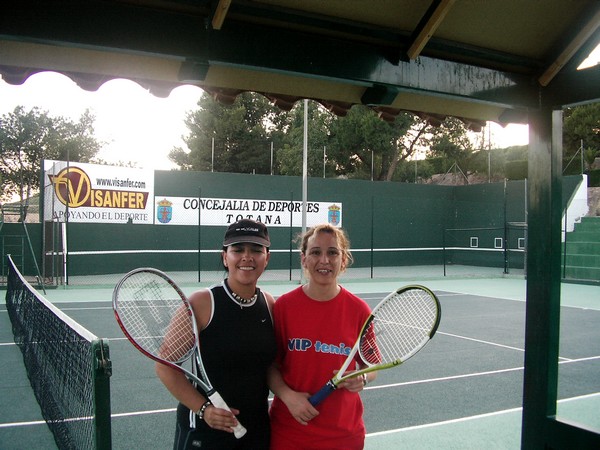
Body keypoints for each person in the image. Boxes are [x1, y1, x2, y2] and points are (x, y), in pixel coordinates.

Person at [156, 219, 277, 449]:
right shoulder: (202, 303)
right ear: (225, 257)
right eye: (238, 249)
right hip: (205, 431)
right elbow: (165, 366)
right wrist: (204, 409)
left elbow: (271, 367)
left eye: (256, 250)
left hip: (256, 429)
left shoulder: (269, 304)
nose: (247, 257)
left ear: (267, 258)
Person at [268, 223, 377, 450]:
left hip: (344, 436)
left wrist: (362, 378)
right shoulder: (283, 307)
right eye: (316, 252)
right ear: (303, 259)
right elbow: (270, 366)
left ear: (343, 260)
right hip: (290, 433)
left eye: (333, 252)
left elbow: (371, 364)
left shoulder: (359, 310)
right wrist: (288, 397)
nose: (324, 260)